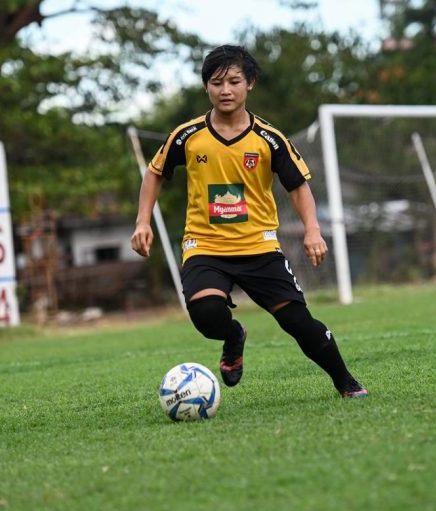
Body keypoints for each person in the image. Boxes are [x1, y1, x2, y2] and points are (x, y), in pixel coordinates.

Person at [131, 45, 368, 398]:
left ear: (250, 84)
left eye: (234, 81)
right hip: (205, 246)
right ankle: (233, 336)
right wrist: (142, 222)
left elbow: (298, 188)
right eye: (216, 83)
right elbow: (154, 173)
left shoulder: (270, 139)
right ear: (206, 87)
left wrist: (313, 230)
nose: (225, 90)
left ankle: (345, 381)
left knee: (298, 323)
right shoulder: (187, 135)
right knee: (206, 312)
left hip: (259, 247)